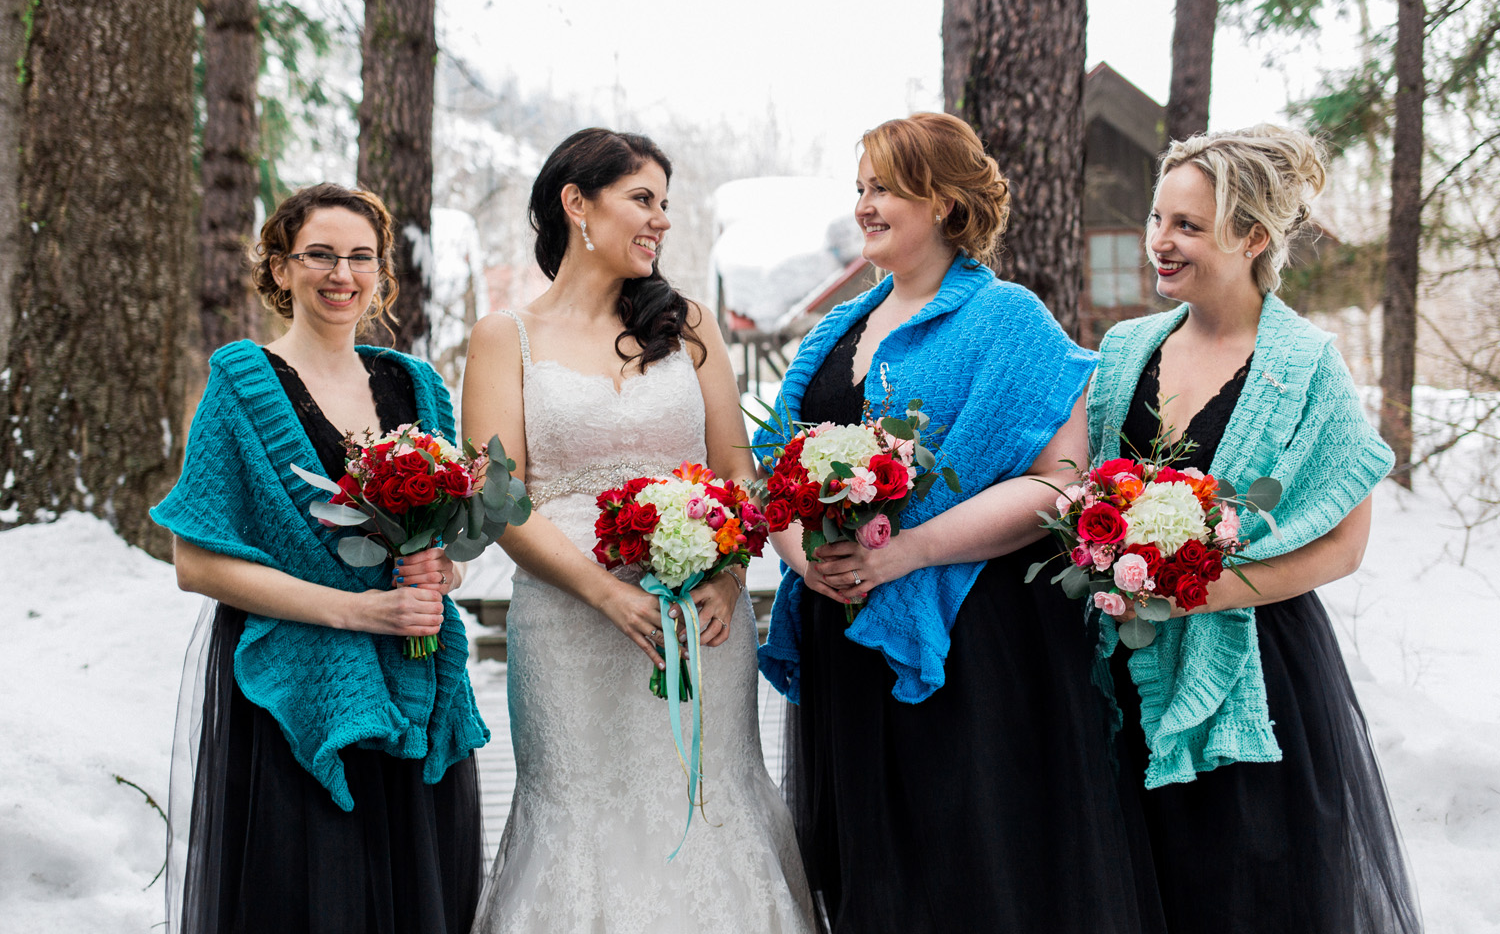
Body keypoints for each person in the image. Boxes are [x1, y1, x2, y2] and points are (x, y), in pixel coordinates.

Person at [753, 112, 1157, 933]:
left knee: (966, 865)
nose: (865, 205)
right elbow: (774, 471)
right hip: (844, 632)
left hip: (971, 635)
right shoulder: (836, 329)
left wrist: (909, 552)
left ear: (942, 202)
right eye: (859, 188)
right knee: (870, 870)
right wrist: (804, 563)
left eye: (886, 188)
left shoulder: (1006, 318)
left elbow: (1063, 480)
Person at [462, 128, 813, 933]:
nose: (660, 221)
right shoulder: (504, 337)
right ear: (576, 203)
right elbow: (501, 497)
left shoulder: (688, 325)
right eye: (642, 200)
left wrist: (726, 578)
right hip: (566, 620)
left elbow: (736, 472)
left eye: (666, 204)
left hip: (700, 620)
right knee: (579, 808)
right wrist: (602, 595)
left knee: (706, 796)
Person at [1090, 124, 1422, 933]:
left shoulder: (1304, 363)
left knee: (1244, 890)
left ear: (1253, 238)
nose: (1160, 243)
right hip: (1122, 662)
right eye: (1158, 219)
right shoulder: (1124, 349)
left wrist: (1198, 595)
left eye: (1188, 227)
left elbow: (1345, 543)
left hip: (1255, 669)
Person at [151, 184, 487, 933]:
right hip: (295, 686)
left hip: (413, 673)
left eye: (361, 256)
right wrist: (358, 609)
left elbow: (446, 536)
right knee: (312, 895)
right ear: (279, 267)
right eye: (320, 256)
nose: (343, 274)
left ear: (381, 269)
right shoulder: (242, 385)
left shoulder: (418, 386)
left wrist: (440, 567)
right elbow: (195, 563)